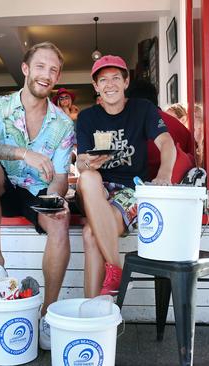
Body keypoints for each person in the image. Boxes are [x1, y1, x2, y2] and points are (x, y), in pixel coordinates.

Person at [0, 41, 75, 350]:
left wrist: (54, 199)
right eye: (40, 66)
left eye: (53, 70)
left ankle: (47, 315)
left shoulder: (64, 124)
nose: (46, 74)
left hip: (37, 192)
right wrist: (21, 153)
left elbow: (62, 177)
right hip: (1, 185)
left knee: (60, 222)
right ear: (26, 69)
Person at [75, 55, 176, 297]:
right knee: (88, 177)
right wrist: (88, 162)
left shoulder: (143, 109)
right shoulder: (87, 118)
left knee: (90, 232)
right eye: (103, 80)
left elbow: (167, 143)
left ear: (126, 82)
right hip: (95, 189)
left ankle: (93, 309)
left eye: (116, 78)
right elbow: (80, 161)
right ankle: (118, 270)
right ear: (96, 87)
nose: (110, 85)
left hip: (129, 190)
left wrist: (164, 174)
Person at [126, 80, 195, 181]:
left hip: (136, 187)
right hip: (174, 190)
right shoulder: (180, 127)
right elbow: (192, 162)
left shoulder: (126, 124)